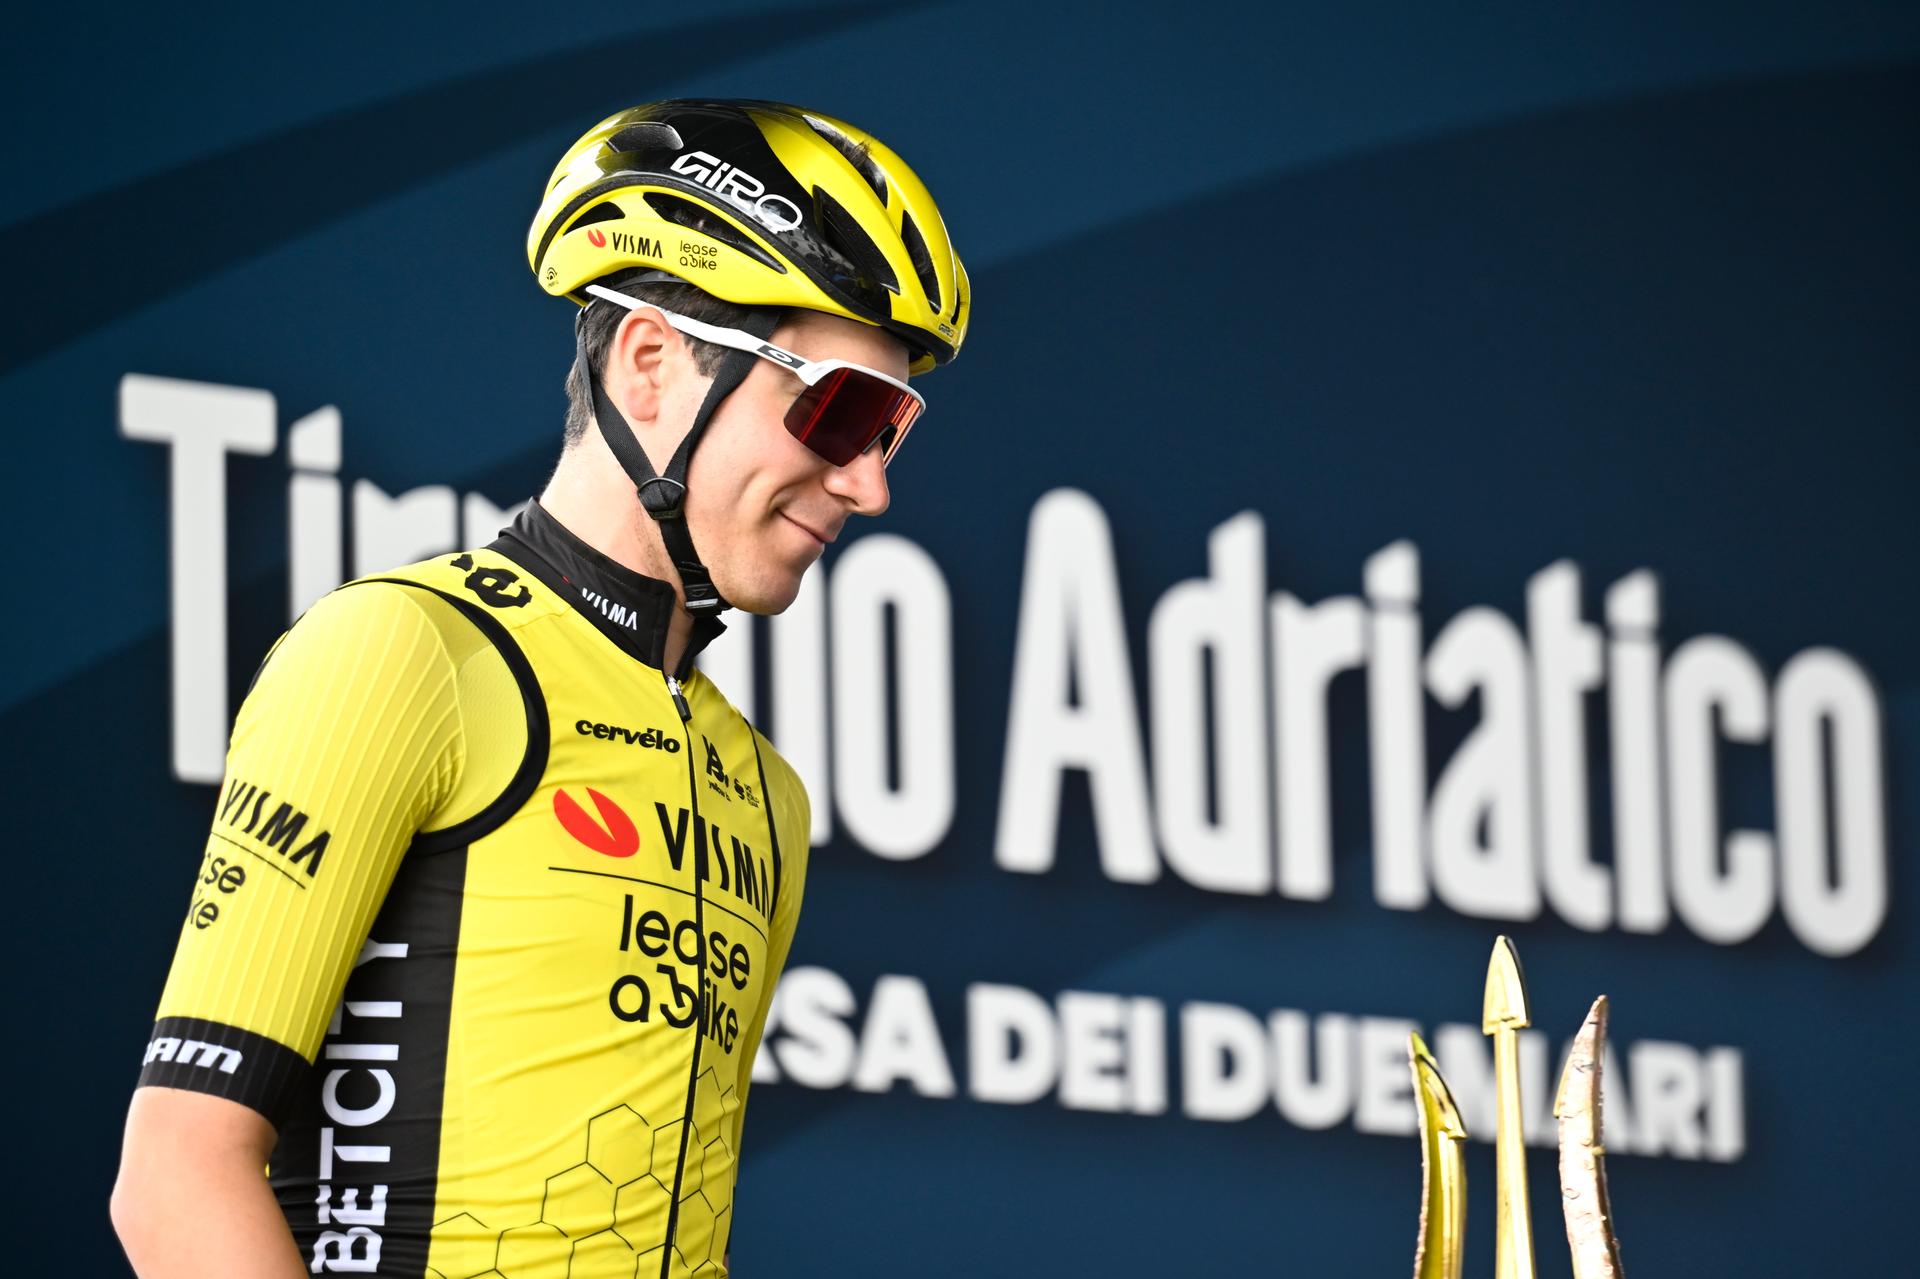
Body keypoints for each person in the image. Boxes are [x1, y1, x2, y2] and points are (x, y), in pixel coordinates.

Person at [111, 99, 969, 1278]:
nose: (868, 485)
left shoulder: (766, 793)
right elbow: (177, 1175)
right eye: (840, 411)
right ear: (653, 362)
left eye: (896, 426)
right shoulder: (403, 652)